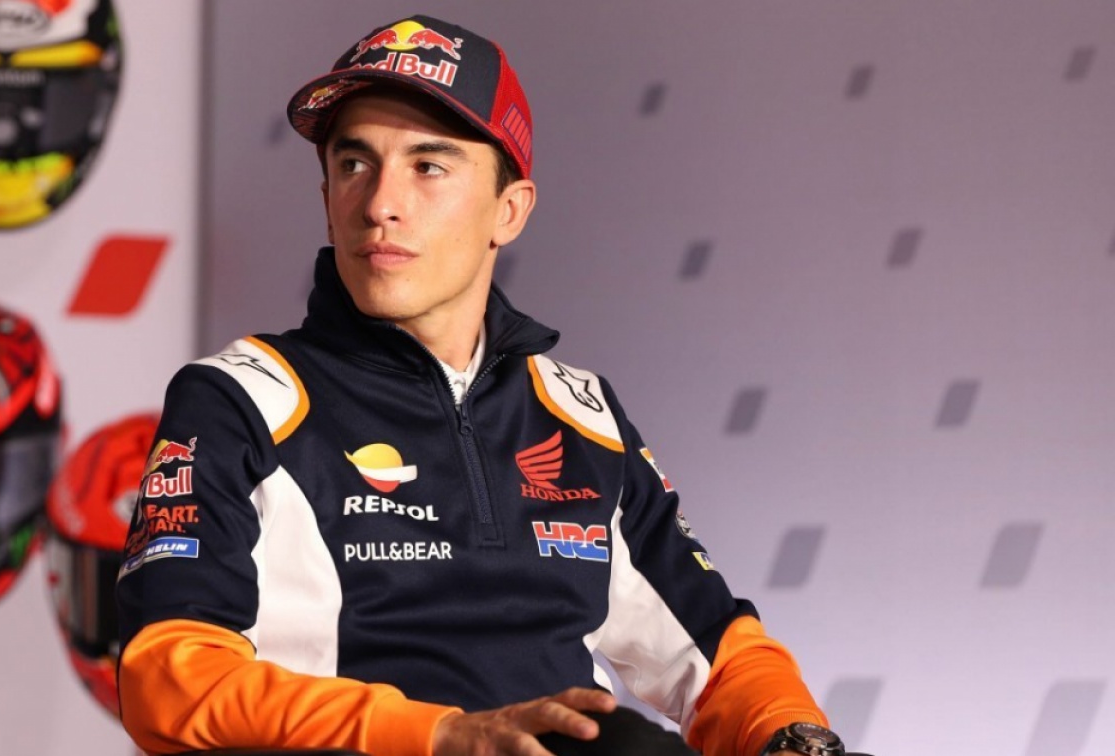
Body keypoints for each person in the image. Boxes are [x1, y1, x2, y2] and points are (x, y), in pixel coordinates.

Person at [116, 14, 847, 756]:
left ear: (509, 210)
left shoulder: (580, 412)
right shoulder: (240, 397)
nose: (379, 204)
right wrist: (439, 734)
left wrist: (796, 737)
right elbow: (169, 680)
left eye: (428, 166)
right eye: (355, 163)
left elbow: (718, 655)